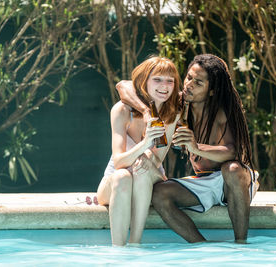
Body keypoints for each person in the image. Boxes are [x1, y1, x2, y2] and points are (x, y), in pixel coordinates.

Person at [116, 54, 259, 243]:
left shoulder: (222, 111)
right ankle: (201, 246)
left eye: (198, 82)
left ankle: (241, 244)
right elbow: (123, 86)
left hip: (234, 180)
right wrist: (145, 111)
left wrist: (196, 147)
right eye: (189, 77)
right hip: (204, 181)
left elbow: (232, 153)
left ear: (212, 91)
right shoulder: (179, 104)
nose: (189, 84)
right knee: (159, 194)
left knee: (231, 169)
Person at [96, 56, 181, 246]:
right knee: (122, 176)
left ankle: (135, 243)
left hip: (149, 176)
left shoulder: (171, 114)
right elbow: (119, 162)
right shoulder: (122, 110)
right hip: (115, 181)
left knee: (142, 167)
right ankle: (118, 250)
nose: (164, 86)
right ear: (145, 81)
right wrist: (144, 144)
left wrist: (145, 154)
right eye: (157, 79)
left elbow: (157, 159)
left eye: (170, 81)